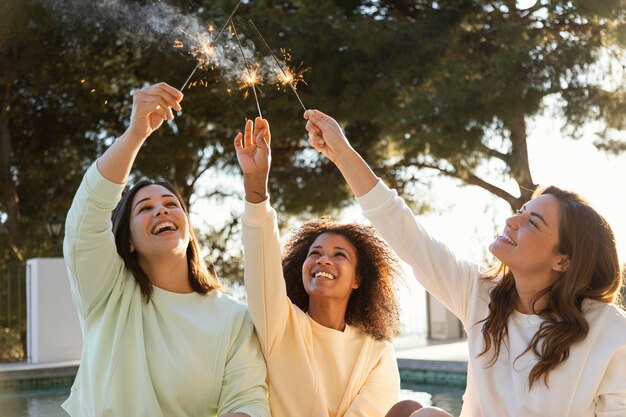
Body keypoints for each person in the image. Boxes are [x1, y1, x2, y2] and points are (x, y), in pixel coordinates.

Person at [304, 109, 626, 417]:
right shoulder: (481, 294)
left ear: (563, 260)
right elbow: (403, 232)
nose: (513, 221)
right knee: (411, 411)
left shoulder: (609, 331)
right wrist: (342, 153)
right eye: (522, 210)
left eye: (533, 222)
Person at [62, 82, 270, 417]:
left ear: (188, 231)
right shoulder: (106, 292)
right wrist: (135, 134)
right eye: (144, 208)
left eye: (171, 204)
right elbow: (86, 216)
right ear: (128, 240)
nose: (161, 210)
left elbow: (248, 401)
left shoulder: (232, 317)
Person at [234, 117, 403, 417]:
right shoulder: (281, 325)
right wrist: (256, 184)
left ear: (358, 279)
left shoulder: (376, 353)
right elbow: (261, 261)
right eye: (315, 253)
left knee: (415, 411)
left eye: (340, 255)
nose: (323, 260)